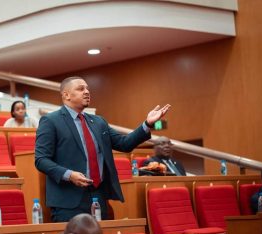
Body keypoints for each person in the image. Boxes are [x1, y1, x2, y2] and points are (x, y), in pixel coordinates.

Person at [35, 76, 170, 222]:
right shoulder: (51, 121)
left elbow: (124, 144)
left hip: (98, 196)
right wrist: (69, 175)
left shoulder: (98, 122)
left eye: (87, 88)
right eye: (81, 89)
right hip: (68, 201)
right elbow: (41, 160)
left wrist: (147, 124)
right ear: (66, 95)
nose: (86, 92)